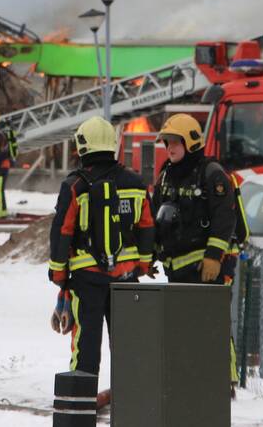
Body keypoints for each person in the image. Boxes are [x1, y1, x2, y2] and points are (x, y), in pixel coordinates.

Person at [47, 116, 154, 376]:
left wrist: (59, 274)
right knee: (129, 346)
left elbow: (62, 231)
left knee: (85, 345)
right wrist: (142, 265)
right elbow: (147, 226)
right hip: (127, 280)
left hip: (87, 281)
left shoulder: (74, 186)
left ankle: (81, 397)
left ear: (82, 146)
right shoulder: (136, 183)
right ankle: (131, 396)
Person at [153, 113, 243, 393]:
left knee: (212, 323)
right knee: (182, 326)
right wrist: (151, 255)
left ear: (190, 143)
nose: (170, 148)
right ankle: (190, 379)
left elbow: (224, 218)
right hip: (177, 267)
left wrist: (214, 256)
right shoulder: (166, 175)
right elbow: (156, 216)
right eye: (167, 142)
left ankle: (224, 382)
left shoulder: (212, 174)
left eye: (175, 142)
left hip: (208, 266)